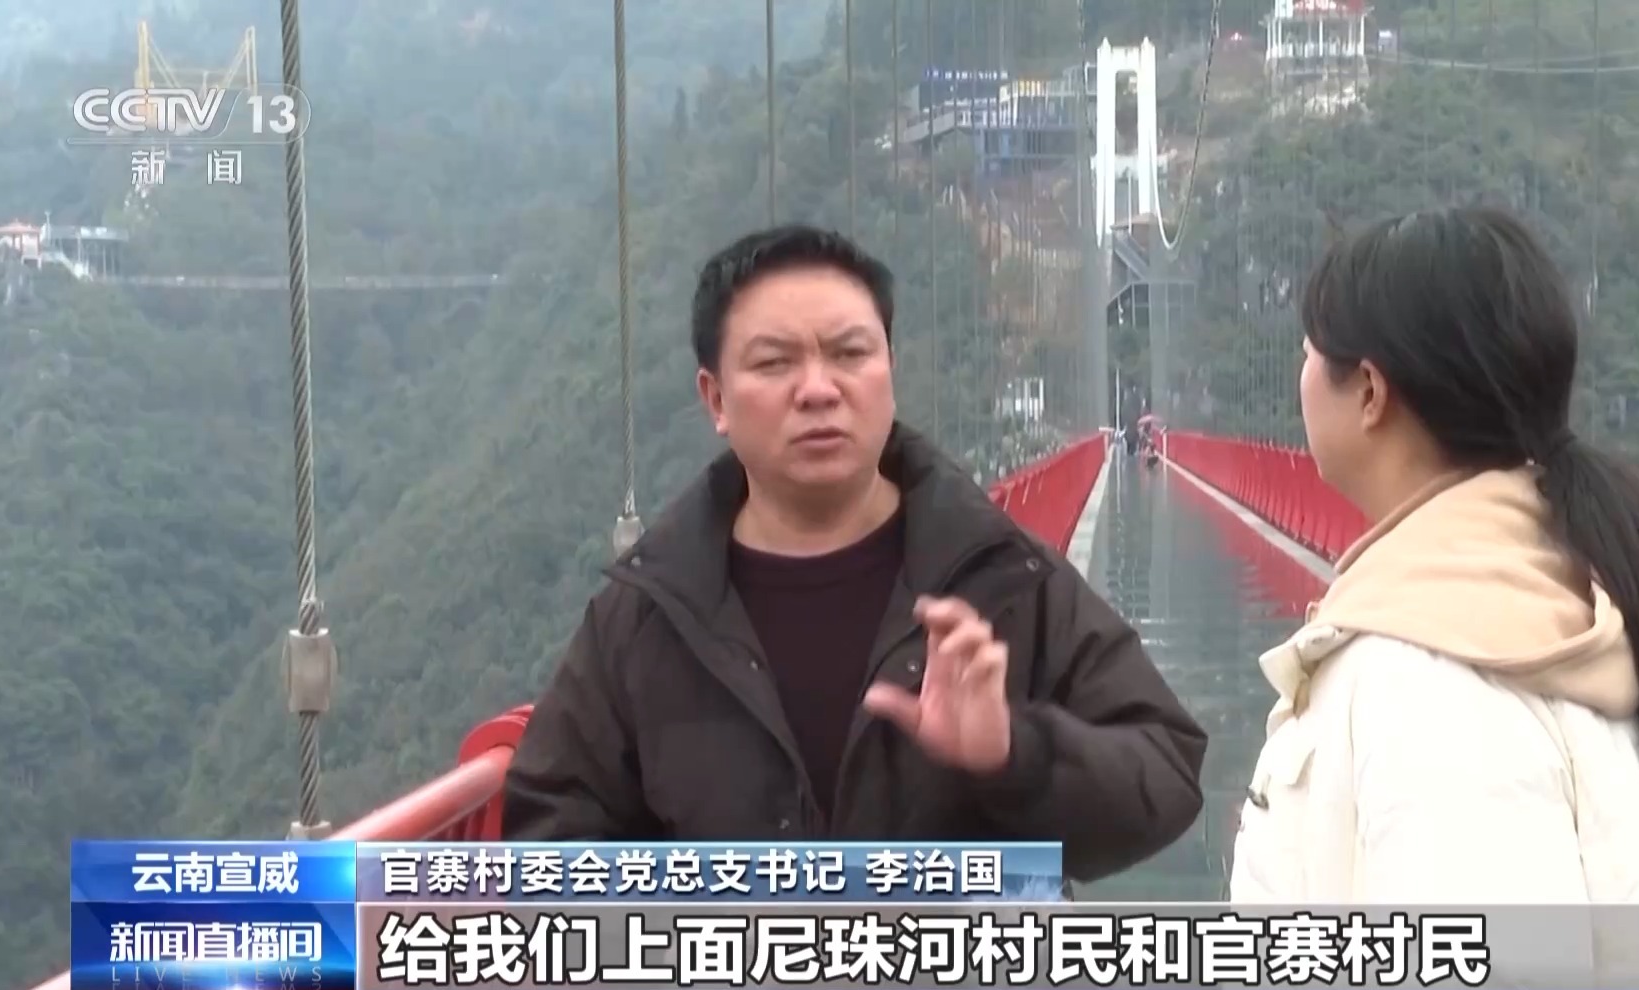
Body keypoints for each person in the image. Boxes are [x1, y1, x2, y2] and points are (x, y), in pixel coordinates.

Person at [502, 224, 1206, 882]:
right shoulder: (648, 615)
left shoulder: (1002, 578)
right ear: (715, 400)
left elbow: (1166, 774)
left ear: (889, 370)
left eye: (849, 354)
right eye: (774, 362)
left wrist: (1013, 754)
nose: (818, 390)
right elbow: (550, 846)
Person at [1230, 208, 1639, 976]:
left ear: (1368, 391)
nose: (1299, 378)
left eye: (1308, 353)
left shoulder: (1433, 676)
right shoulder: (1572, 595)